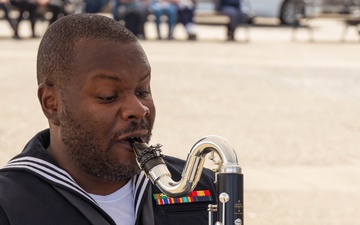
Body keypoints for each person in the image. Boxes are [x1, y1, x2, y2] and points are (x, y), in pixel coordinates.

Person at [0, 13, 216, 225]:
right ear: (51, 104)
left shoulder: (201, 186)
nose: (139, 110)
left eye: (142, 91)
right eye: (108, 96)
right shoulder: (9, 203)